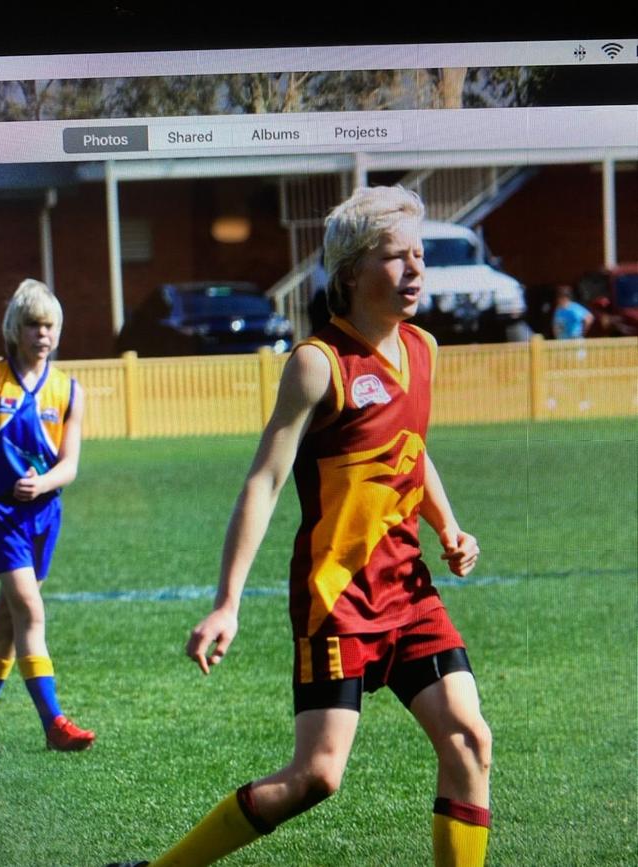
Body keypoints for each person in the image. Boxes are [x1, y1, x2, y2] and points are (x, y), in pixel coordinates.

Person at [107, 186, 491, 867]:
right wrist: (227, 601)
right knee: (317, 775)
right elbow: (264, 479)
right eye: (396, 256)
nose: (415, 269)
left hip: (409, 588)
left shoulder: (424, 347)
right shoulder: (318, 363)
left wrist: (448, 525)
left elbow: (410, 446)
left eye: (419, 254)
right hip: (337, 597)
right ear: (349, 270)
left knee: (468, 739)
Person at [0, 279, 94, 752]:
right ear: (16, 328)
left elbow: (69, 464)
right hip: (0, 515)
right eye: (33, 324)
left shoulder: (68, 390)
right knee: (29, 609)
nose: (42, 333)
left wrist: (43, 483)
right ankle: (54, 722)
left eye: (49, 324)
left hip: (45, 514)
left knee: (8, 624)